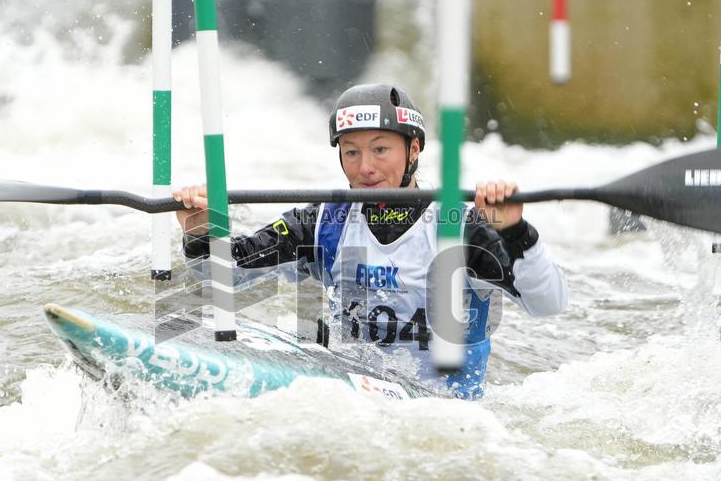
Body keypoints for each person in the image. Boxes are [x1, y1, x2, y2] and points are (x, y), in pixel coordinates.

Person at [173, 83, 568, 399]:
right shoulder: (323, 221)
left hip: (443, 413)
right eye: (351, 152)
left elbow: (548, 303)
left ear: (413, 150)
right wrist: (200, 230)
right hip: (349, 397)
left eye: (381, 149)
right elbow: (220, 276)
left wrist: (514, 231)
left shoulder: (461, 228)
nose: (365, 168)